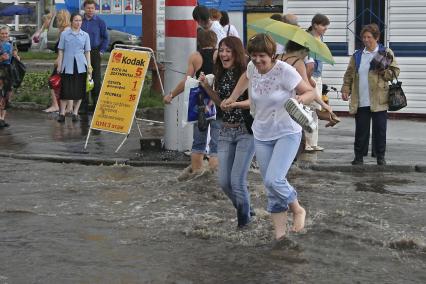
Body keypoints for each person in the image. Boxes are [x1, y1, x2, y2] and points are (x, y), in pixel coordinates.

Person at [223, 33, 315, 241]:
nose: (257, 60)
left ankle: (298, 209)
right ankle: (280, 236)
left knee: (275, 179)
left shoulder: (285, 71)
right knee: (270, 187)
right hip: (262, 133)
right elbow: (245, 79)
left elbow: (311, 92)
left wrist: (300, 98)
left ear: (273, 55)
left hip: (287, 132)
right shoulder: (252, 68)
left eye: (262, 56)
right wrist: (232, 98)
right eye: (253, 55)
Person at [199, 36, 254, 228]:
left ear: (237, 53)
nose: (223, 54)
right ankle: (247, 210)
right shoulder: (220, 72)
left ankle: (244, 225)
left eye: (228, 50)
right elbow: (221, 103)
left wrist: (236, 103)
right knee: (224, 182)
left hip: (246, 132)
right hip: (225, 132)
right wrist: (206, 87)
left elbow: (255, 102)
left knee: (237, 182)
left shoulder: (247, 73)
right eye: (221, 50)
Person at [163, 30, 221, 181]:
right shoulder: (219, 55)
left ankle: (196, 177)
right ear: (215, 41)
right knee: (216, 145)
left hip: (200, 104)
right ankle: (214, 178)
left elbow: (187, 81)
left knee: (198, 143)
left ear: (199, 41)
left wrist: (171, 95)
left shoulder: (195, 57)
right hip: (217, 103)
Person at [342, 23, 400, 166]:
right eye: (364, 37)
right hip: (361, 99)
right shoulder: (357, 55)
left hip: (379, 99)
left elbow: (395, 72)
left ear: (377, 37)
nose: (366, 40)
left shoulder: (385, 52)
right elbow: (349, 73)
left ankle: (380, 156)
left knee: (380, 130)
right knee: (361, 130)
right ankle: (359, 157)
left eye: (369, 37)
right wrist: (346, 88)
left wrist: (383, 71)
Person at [56, 13, 92, 123]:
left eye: (80, 20)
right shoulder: (64, 34)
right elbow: (61, 50)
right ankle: (62, 113)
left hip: (81, 65)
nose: (78, 22)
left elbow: (87, 52)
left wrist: (89, 66)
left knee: (79, 90)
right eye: (76, 20)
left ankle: (75, 112)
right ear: (71, 21)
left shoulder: (85, 35)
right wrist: (59, 64)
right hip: (67, 65)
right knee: (66, 89)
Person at [305, 13, 330, 152]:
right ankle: (306, 142)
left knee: (315, 110)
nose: (325, 28)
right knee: (308, 108)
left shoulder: (320, 37)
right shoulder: (307, 38)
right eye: (323, 25)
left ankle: (313, 142)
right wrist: (308, 78)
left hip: (318, 75)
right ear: (315, 25)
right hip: (309, 75)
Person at [81, 0, 109, 113]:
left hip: (95, 52)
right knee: (83, 78)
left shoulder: (100, 22)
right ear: (84, 8)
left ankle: (96, 105)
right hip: (81, 53)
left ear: (95, 9)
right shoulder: (80, 21)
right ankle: (83, 105)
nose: (90, 10)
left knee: (95, 79)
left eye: (92, 8)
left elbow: (106, 38)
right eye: (88, 8)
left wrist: (102, 51)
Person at [44, 9, 71, 113]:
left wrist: (58, 60)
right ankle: (68, 107)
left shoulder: (65, 31)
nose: (56, 21)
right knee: (64, 83)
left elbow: (64, 49)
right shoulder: (66, 30)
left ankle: (55, 105)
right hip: (65, 61)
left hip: (62, 61)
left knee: (52, 81)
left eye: (58, 18)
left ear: (61, 19)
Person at [0, 26, 19, 128]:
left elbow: (16, 57)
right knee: (0, 94)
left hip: (9, 71)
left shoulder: (12, 45)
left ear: (9, 34)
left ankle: (3, 119)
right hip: (1, 71)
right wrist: (1, 58)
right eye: (2, 33)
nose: (4, 35)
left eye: (6, 34)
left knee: (7, 94)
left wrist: (16, 56)